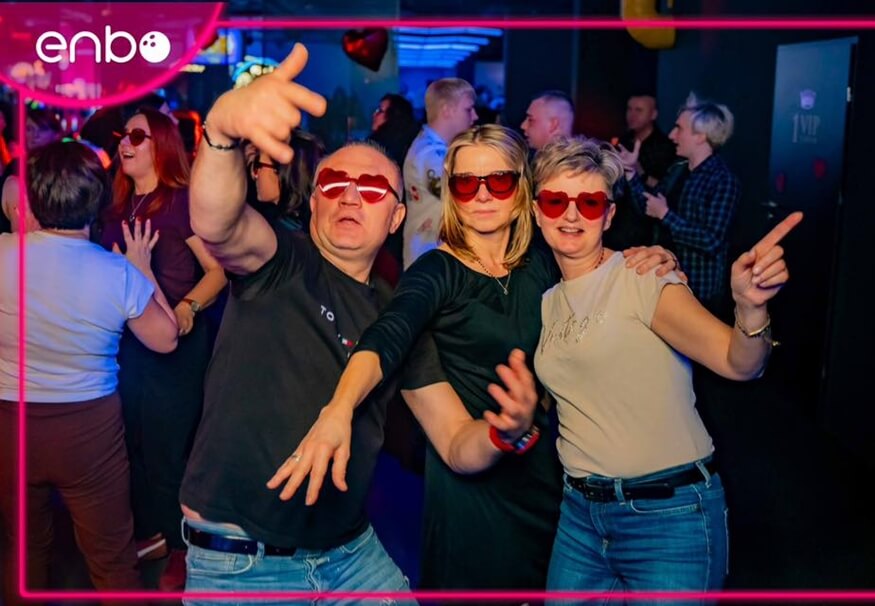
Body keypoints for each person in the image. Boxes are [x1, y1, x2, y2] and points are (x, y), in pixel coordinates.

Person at [269, 124, 680, 592]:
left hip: (556, 485)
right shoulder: (436, 272)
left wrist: (649, 258)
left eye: (498, 181)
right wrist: (339, 409)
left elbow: (601, 277)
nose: (482, 194)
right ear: (452, 192)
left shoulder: (544, 262)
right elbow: (387, 335)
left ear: (520, 188)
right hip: (474, 500)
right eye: (466, 183)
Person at [512, 136, 800, 601]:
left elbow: (739, 363)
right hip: (580, 517)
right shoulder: (549, 302)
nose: (571, 215)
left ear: (608, 215)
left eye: (589, 203)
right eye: (555, 201)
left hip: (668, 518)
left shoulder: (643, 276)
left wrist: (750, 309)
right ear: (536, 210)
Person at [178, 43, 416, 601]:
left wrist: (510, 431)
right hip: (242, 563)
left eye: (372, 189)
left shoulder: (397, 307)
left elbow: (452, 437)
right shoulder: (284, 262)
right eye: (333, 185)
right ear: (313, 204)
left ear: (397, 217)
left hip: (351, 553)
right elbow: (219, 225)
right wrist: (221, 131)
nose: (350, 197)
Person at [0, 141, 178, 603]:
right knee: (111, 560)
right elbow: (166, 338)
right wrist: (142, 268)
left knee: (24, 551)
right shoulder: (115, 271)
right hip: (88, 431)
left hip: (11, 424)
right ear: (97, 200)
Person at [98, 107, 227, 589]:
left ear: (163, 146)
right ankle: (154, 532)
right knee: (132, 445)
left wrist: (189, 307)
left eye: (137, 136)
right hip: (127, 346)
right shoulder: (115, 206)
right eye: (123, 135)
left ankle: (182, 548)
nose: (124, 143)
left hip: (177, 346)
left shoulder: (180, 202)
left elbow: (218, 270)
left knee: (169, 452)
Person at [624, 94, 741, 314]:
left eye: (679, 129)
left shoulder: (723, 180)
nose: (672, 135)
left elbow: (711, 241)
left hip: (698, 292)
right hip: (664, 280)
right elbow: (649, 208)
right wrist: (631, 173)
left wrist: (666, 215)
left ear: (701, 136)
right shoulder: (678, 169)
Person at [402, 77, 477, 268]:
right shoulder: (430, 154)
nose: (475, 116)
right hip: (430, 261)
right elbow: (462, 198)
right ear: (447, 110)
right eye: (468, 109)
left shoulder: (431, 148)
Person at [1, 107, 65, 235]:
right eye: (29, 129)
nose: (35, 135)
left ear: (56, 134)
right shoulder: (15, 166)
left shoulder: (65, 168)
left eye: (42, 129)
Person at [619, 94, 678, 189]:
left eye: (639, 110)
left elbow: (666, 188)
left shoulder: (665, 147)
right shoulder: (623, 140)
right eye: (629, 109)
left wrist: (639, 171)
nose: (632, 115)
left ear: (653, 114)